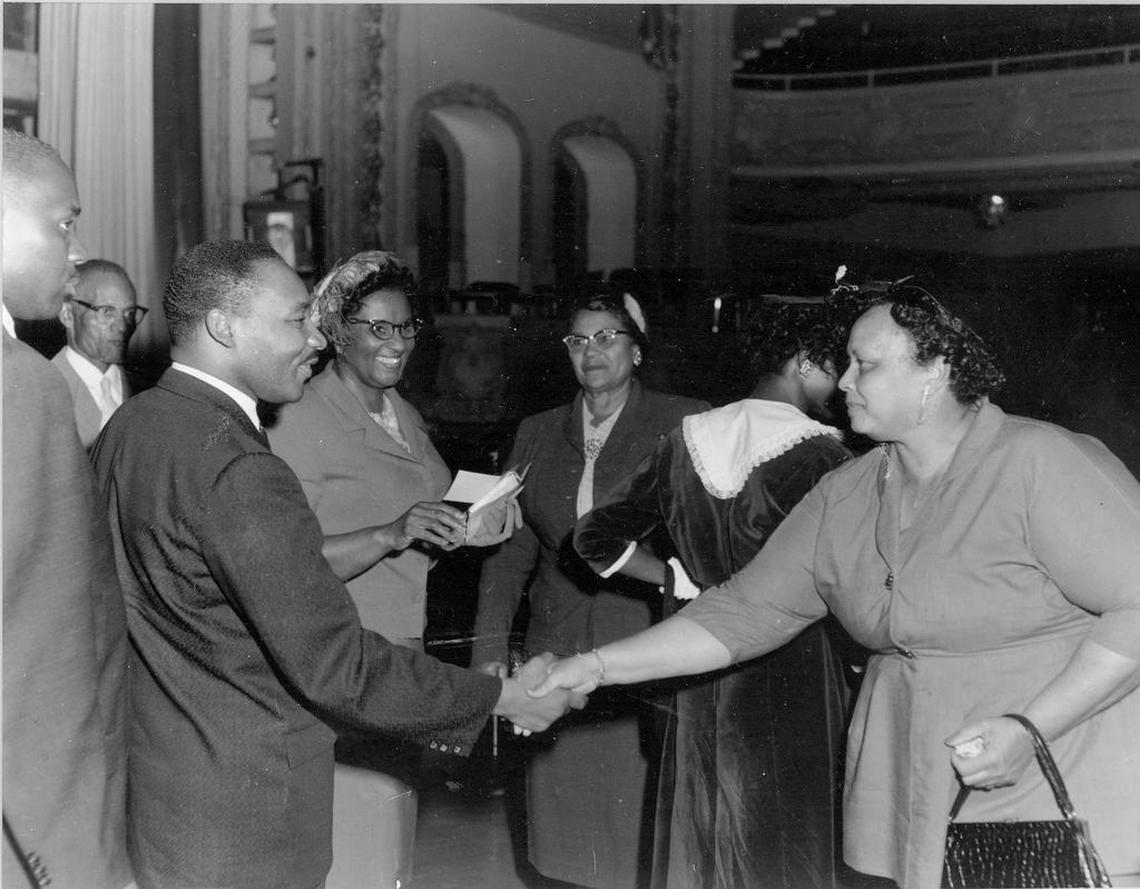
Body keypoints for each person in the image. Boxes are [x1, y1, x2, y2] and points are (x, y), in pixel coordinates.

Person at [533, 280, 1140, 888]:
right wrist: (592, 667)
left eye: (865, 365)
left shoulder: (1038, 461)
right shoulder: (846, 491)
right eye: (845, 364)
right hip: (907, 775)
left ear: (937, 370)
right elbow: (743, 611)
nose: (844, 381)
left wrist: (1031, 729)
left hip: (1047, 769)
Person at [89, 239, 581, 889]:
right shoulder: (244, 468)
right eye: (296, 319)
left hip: (166, 790)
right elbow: (336, 665)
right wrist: (504, 695)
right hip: (252, 810)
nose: (313, 339)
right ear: (224, 326)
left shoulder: (130, 427)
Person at [573, 296, 855, 889]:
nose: (845, 382)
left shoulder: (685, 440)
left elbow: (593, 537)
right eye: (838, 366)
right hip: (793, 669)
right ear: (805, 363)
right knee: (787, 842)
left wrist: (677, 578)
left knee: (701, 831)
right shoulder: (826, 456)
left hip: (695, 662)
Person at [266, 250, 518, 889]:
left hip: (401, 653)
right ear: (338, 332)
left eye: (405, 327)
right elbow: (283, 562)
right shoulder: (299, 415)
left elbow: (425, 516)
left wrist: (474, 526)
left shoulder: (399, 411)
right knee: (355, 851)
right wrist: (391, 531)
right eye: (378, 328)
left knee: (390, 848)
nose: (397, 343)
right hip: (339, 662)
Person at [471, 291, 709, 889]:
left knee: (645, 819)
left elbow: (707, 538)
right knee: (564, 823)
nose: (591, 351)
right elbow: (511, 553)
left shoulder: (685, 422)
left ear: (637, 349)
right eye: (578, 341)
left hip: (649, 641)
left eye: (606, 337)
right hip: (557, 644)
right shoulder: (537, 431)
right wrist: (489, 650)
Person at [2, 129, 133, 888]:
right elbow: (39, 660)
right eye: (63, 222)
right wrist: (79, 862)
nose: (75, 250)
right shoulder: (23, 382)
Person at [52, 258, 149, 447]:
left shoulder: (147, 389)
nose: (123, 327)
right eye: (106, 311)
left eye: (129, 314)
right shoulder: (44, 389)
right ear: (67, 315)